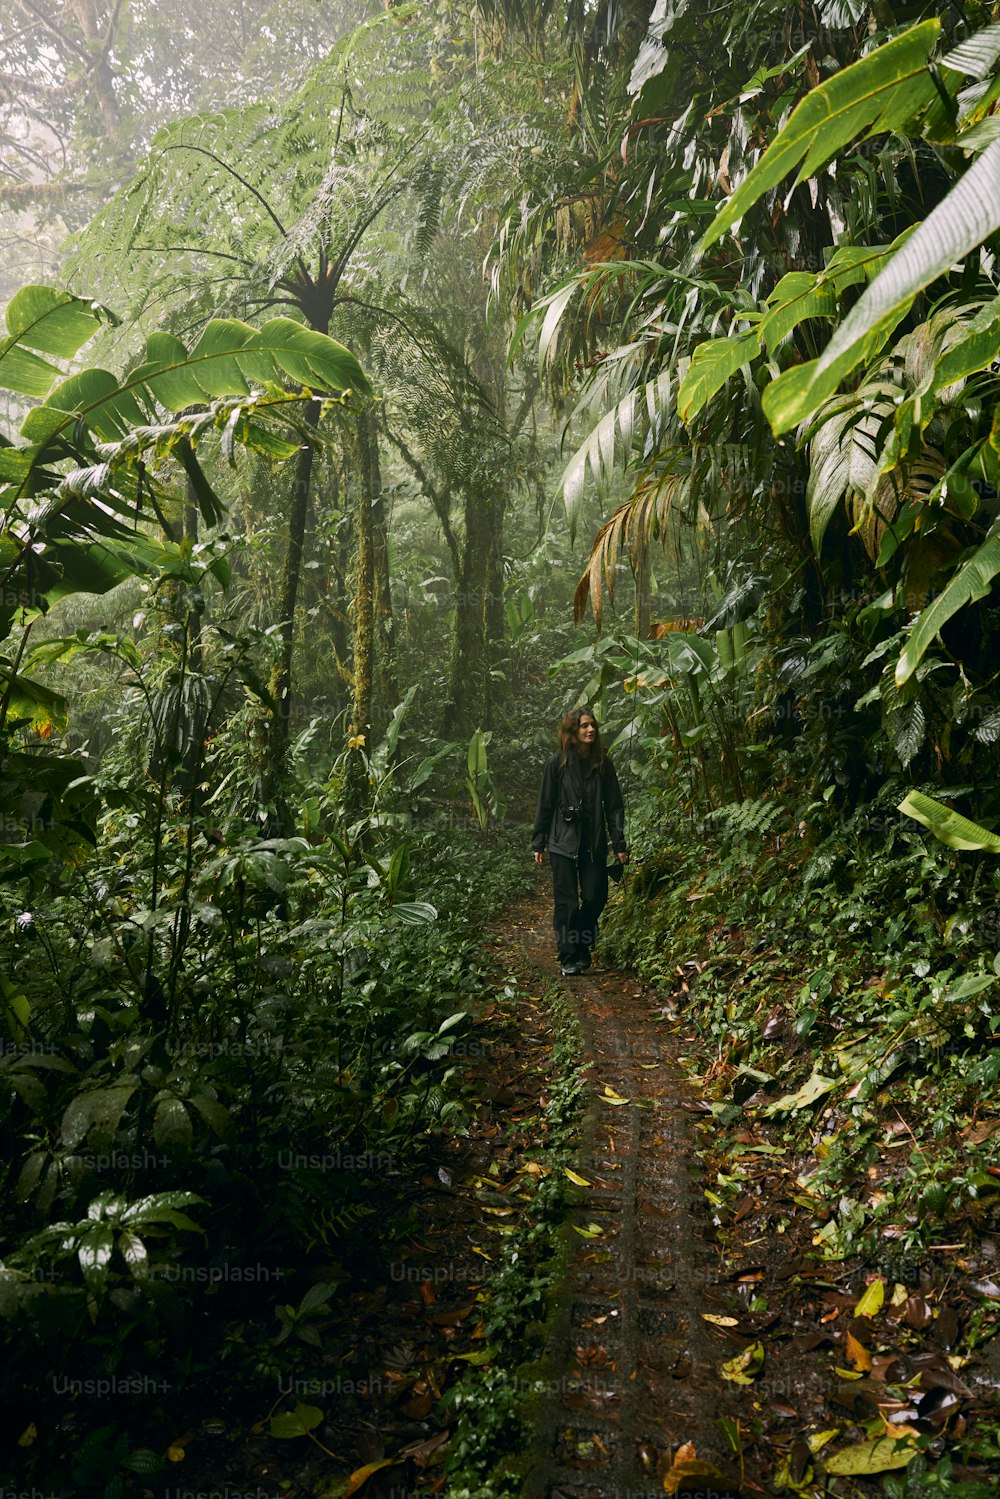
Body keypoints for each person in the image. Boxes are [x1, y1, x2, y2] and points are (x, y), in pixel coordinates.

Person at [531, 706, 628, 976]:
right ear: (572, 732)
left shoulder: (603, 763)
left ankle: (583, 943)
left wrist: (619, 844)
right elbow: (545, 804)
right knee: (568, 903)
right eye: (584, 726)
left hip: (592, 843)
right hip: (562, 843)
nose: (590, 730)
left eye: (592, 725)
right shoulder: (557, 763)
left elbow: (615, 807)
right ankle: (569, 956)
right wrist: (538, 842)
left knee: (596, 896)